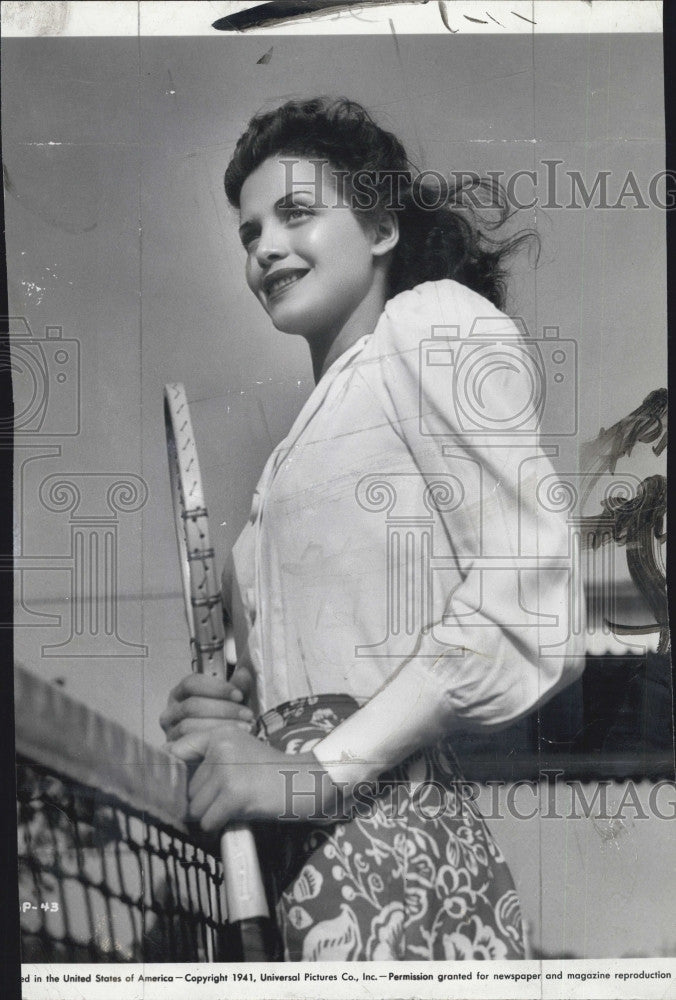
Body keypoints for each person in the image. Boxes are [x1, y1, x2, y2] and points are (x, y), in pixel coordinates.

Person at [161, 97, 584, 961]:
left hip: (390, 844)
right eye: (249, 234)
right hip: (291, 859)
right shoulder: (283, 468)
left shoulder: (431, 327)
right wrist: (232, 716)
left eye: (298, 213)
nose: (265, 248)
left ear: (383, 226)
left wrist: (316, 771)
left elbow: (532, 604)